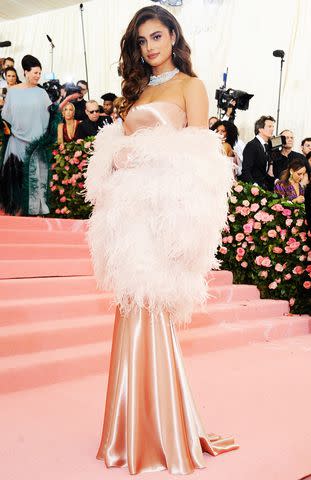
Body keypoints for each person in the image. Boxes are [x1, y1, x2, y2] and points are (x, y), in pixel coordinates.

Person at [85, 5, 238, 476]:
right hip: (128, 219)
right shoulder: (134, 92)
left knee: (152, 312)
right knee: (133, 309)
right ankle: (133, 429)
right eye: (141, 41)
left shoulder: (191, 86)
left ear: (173, 34)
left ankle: (161, 432)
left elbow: (200, 162)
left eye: (156, 36)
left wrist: (145, 161)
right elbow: (115, 149)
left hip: (162, 217)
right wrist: (113, 161)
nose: (149, 47)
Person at [0, 55, 57, 215]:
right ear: (25, 72)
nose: (38, 76)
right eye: (35, 73)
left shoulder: (42, 93)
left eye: (40, 73)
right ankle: (17, 213)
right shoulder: (13, 92)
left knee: (35, 180)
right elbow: (6, 116)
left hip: (35, 145)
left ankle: (35, 213)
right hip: (16, 143)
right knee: (16, 180)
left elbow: (50, 118)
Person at [240, 115, 275, 190]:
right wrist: (253, 186)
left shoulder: (268, 146)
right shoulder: (252, 145)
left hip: (264, 187)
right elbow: (246, 170)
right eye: (269, 126)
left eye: (273, 126)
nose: (272, 129)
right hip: (254, 189)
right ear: (260, 129)